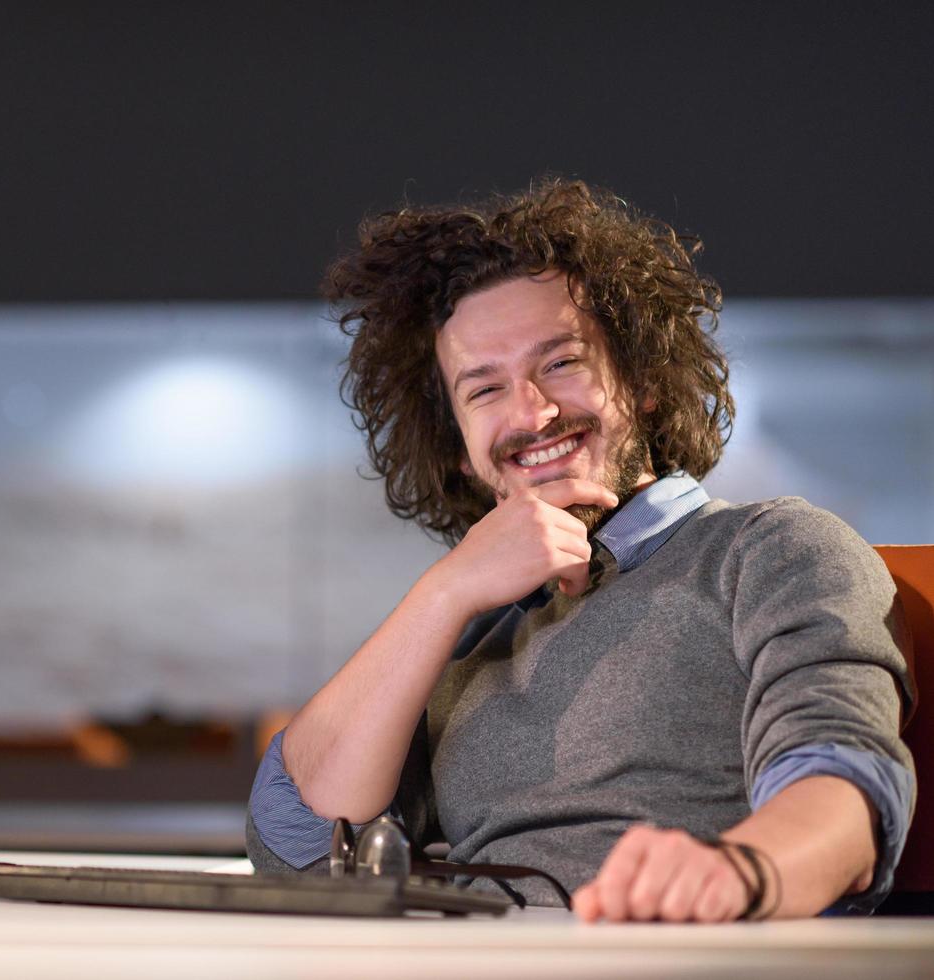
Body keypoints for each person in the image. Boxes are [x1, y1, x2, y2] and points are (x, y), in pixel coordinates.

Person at [246, 179, 916, 922]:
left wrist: (741, 872)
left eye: (560, 363)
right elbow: (296, 844)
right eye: (483, 390)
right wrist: (443, 592)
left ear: (643, 381)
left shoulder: (771, 549)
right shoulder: (465, 630)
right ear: (461, 450)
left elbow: (844, 786)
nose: (531, 413)